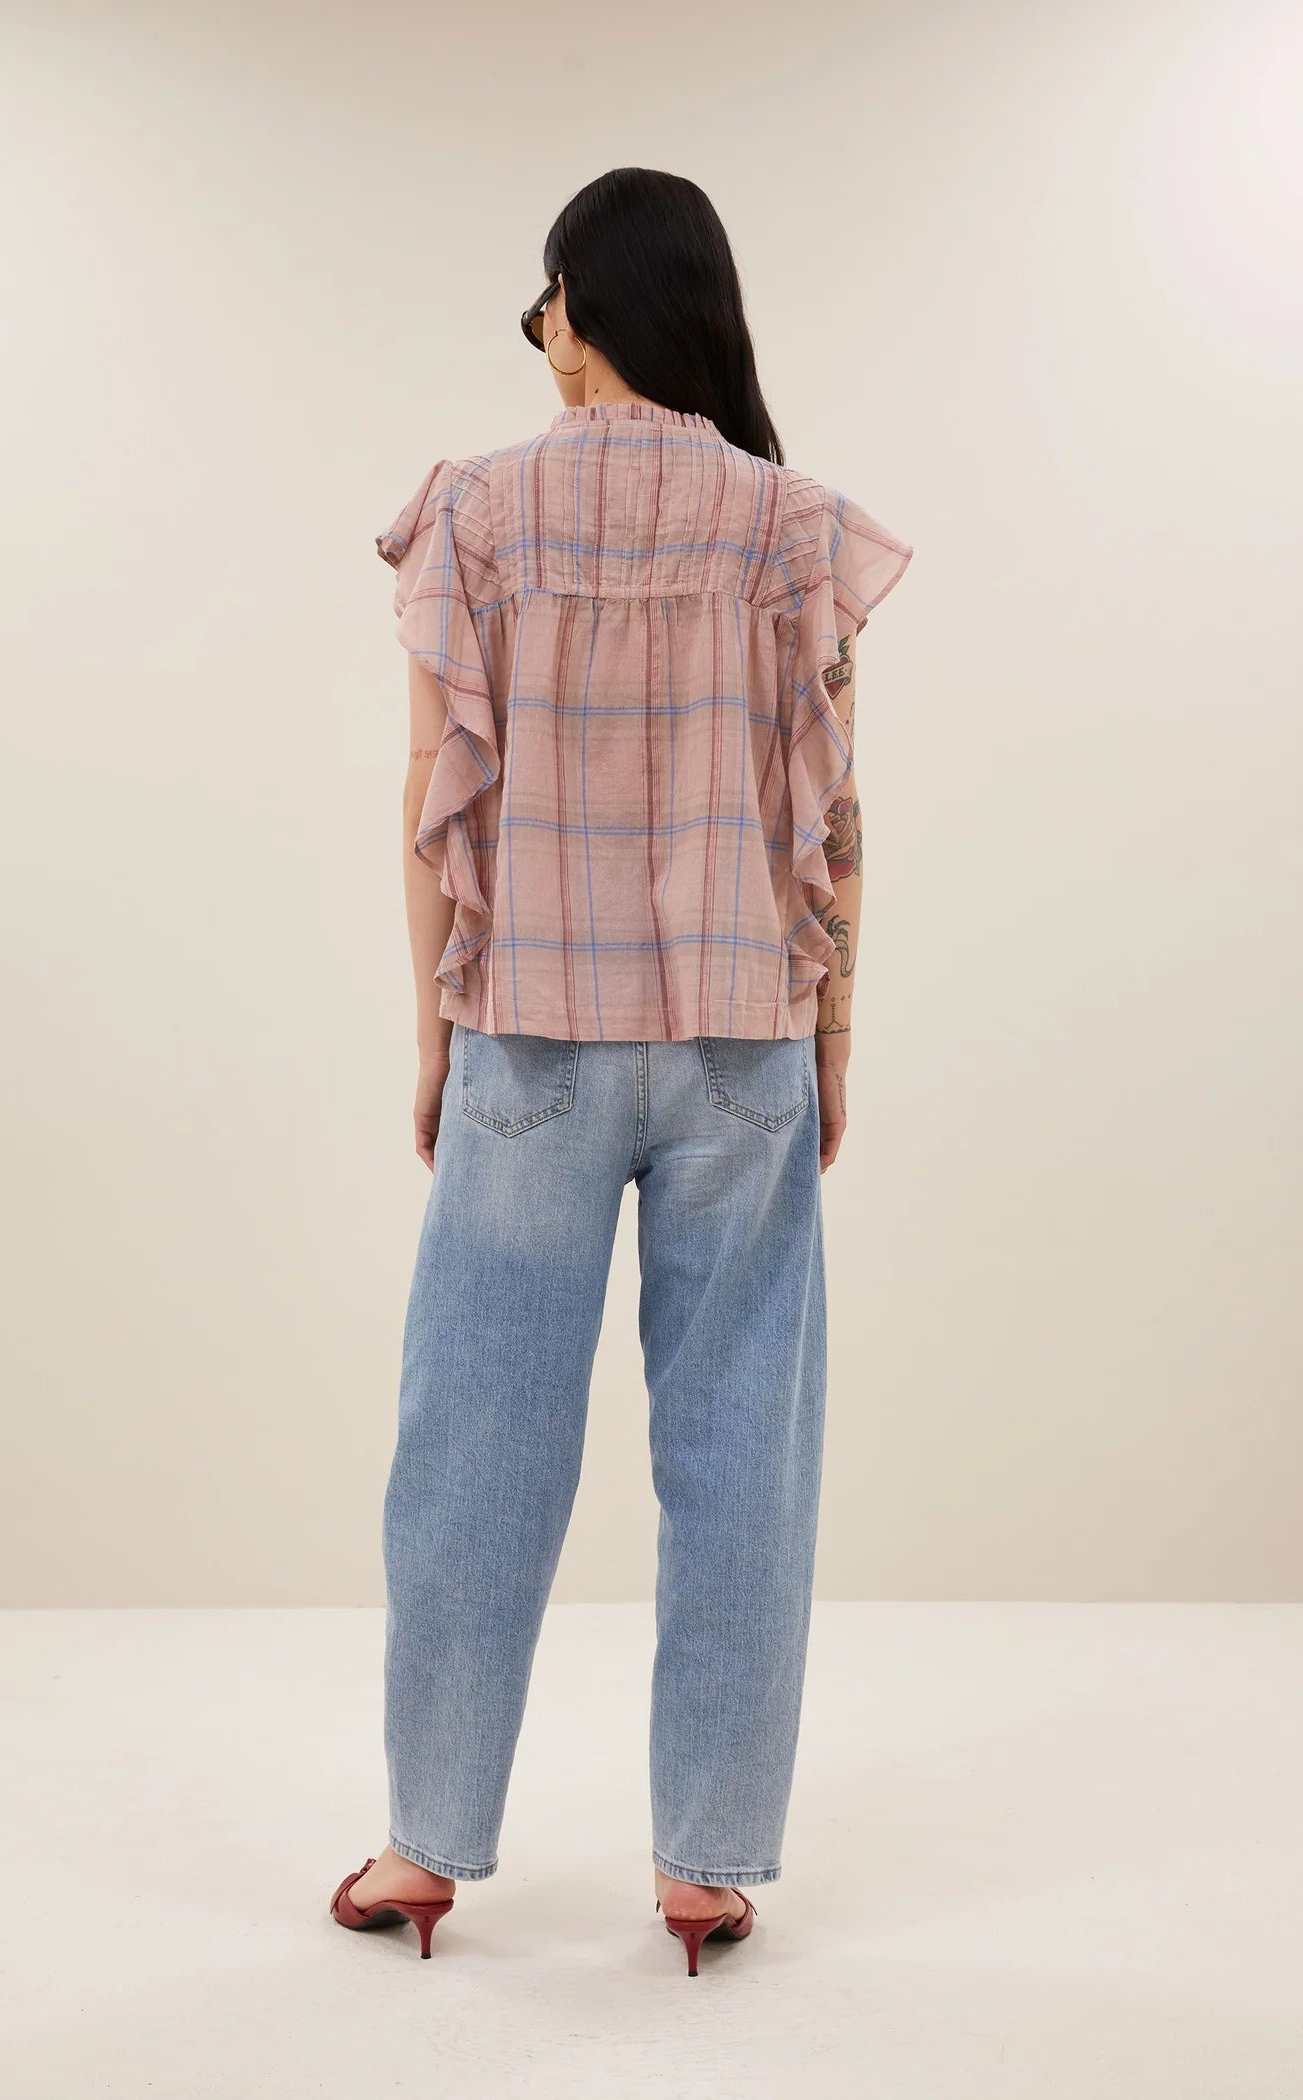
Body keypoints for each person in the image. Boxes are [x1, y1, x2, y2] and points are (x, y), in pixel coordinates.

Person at [328, 167, 913, 1976]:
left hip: (532, 1035)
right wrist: (833, 1037)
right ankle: (707, 1867)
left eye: (548, 299)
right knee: (743, 1458)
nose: (542, 332)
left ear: (582, 309)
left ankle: (424, 1848)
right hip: (744, 1044)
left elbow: (430, 797)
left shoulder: (475, 511)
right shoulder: (790, 522)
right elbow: (835, 816)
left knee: (472, 1449)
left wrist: (434, 1034)